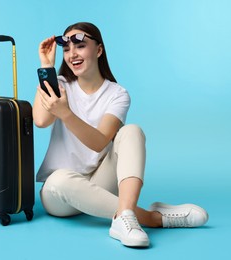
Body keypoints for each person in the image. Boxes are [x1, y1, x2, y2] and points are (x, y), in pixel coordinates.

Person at [33, 22, 208, 248]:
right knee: (59, 179)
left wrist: (66, 114)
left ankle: (125, 215)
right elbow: (41, 120)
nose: (72, 54)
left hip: (101, 182)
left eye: (80, 46)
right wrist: (46, 66)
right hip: (59, 196)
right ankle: (150, 218)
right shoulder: (59, 84)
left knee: (132, 131)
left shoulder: (117, 94)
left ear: (98, 50)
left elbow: (98, 143)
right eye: (66, 50)